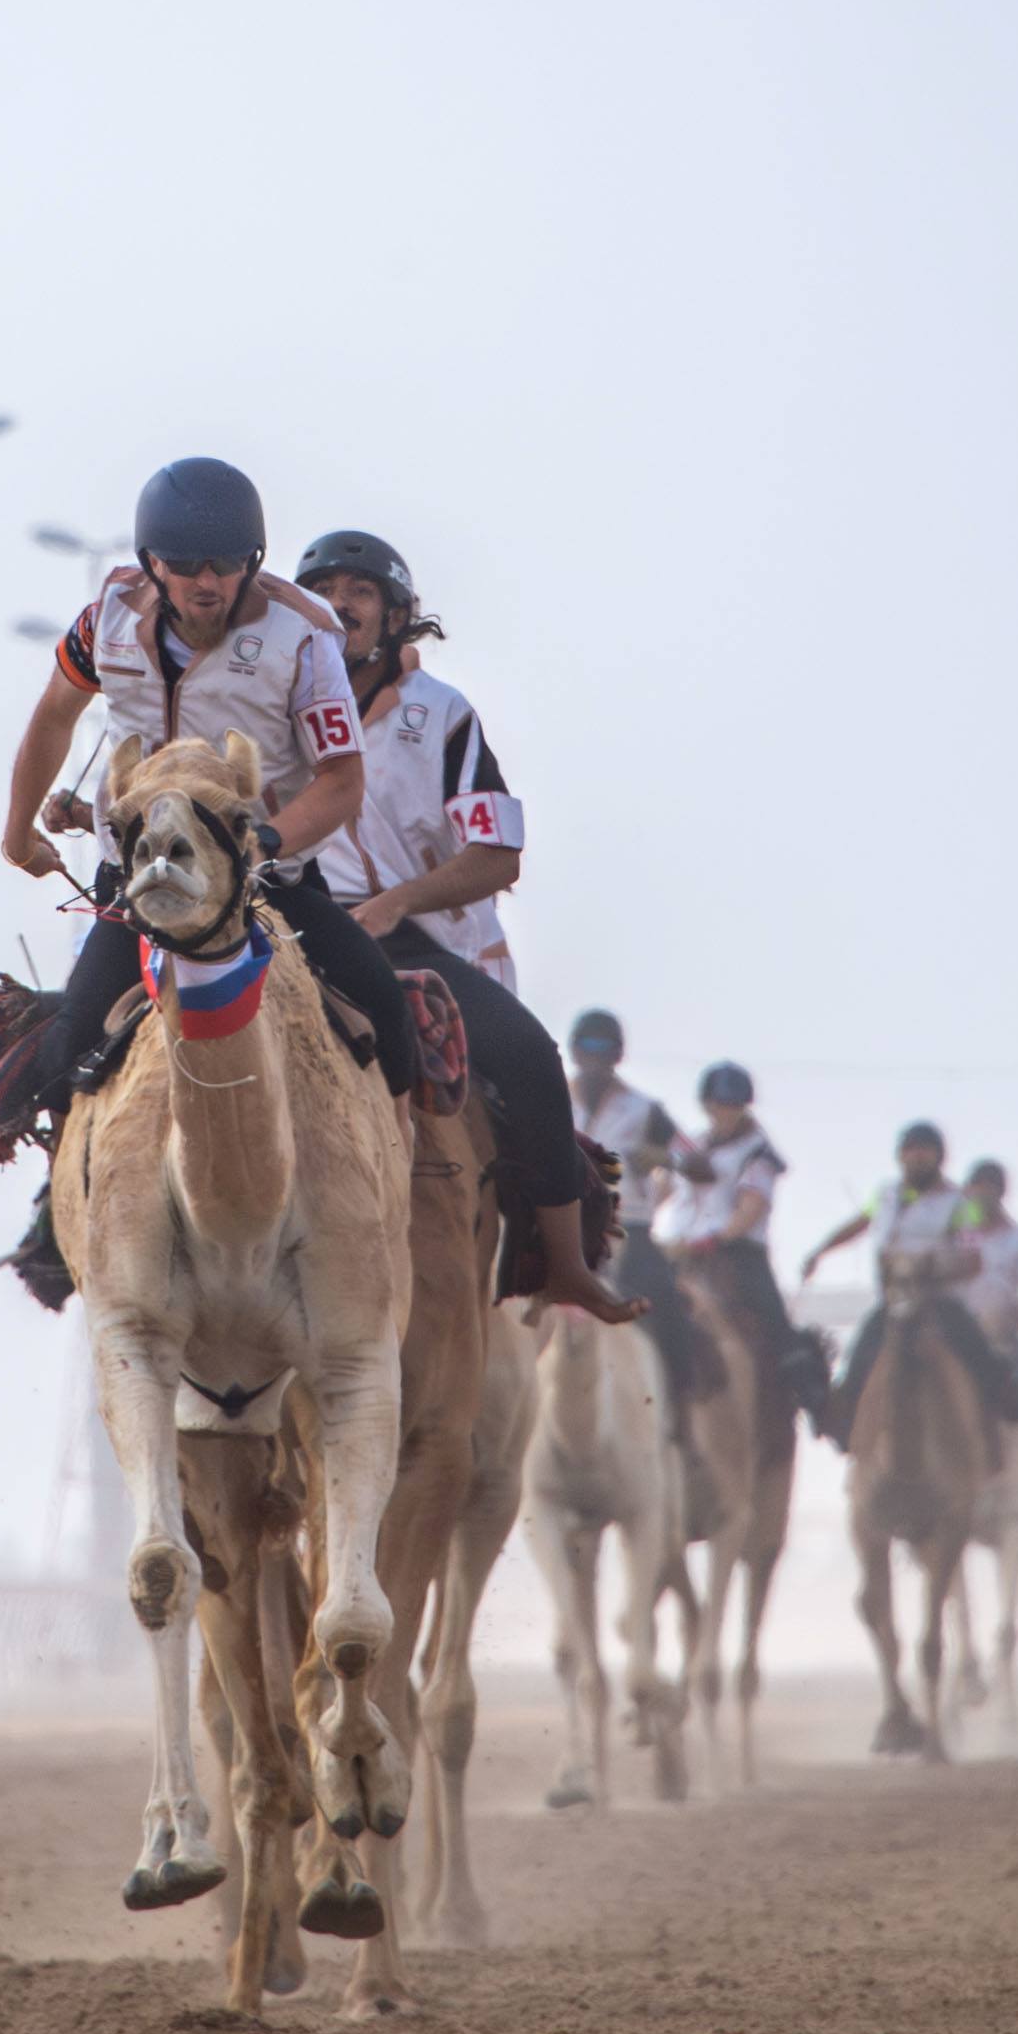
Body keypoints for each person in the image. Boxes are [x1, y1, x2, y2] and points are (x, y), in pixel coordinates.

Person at [0, 458, 421, 1305]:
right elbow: (53, 715)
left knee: (383, 1005)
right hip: (140, 882)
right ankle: (64, 1217)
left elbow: (339, 781)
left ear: (252, 560)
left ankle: (389, 1198)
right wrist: (16, 829)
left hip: (267, 880)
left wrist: (265, 842)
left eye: (224, 564)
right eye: (187, 566)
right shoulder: (104, 617)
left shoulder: (306, 635)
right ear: (153, 564)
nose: (207, 583)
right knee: (70, 1044)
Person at [292, 530, 643, 1327]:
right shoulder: (271, 700)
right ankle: (74, 1226)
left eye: (361, 591)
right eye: (326, 590)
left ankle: (563, 1264)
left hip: (408, 937)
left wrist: (395, 903)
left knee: (526, 1056)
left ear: (396, 617)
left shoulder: (442, 716)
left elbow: (498, 856)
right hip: (293, 922)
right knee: (127, 1029)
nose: (341, 603)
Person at [798, 1121, 1017, 1443]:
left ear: (939, 1157)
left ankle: (996, 1433)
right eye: (910, 1151)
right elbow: (861, 1222)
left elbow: (973, 1259)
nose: (917, 1158)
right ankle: (843, 1427)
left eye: (925, 1152)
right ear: (900, 1156)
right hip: (892, 1301)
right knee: (859, 1359)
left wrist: (931, 1268)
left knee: (980, 1359)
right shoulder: (885, 1195)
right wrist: (822, 1249)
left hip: (940, 1302)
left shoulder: (960, 1204)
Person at [572, 1011, 717, 1399]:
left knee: (669, 1313)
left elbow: (703, 1168)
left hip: (629, 1230)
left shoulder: (645, 1110)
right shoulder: (553, 1101)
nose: (596, 1058)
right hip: (563, 1229)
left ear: (618, 1055)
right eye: (588, 1047)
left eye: (605, 1049)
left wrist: (665, 1158)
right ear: (574, 1051)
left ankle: (680, 1416)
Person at [664, 1060, 820, 1400]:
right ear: (706, 1104)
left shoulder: (759, 1152)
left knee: (775, 1322)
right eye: (721, 1103)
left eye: (736, 1104)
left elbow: (751, 1208)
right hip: (680, 1249)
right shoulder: (689, 1145)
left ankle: (812, 1398)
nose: (728, 1111)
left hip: (736, 1253)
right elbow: (663, 1188)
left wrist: (714, 1239)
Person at [956, 1160, 1018, 1365]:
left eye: (989, 1188)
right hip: (953, 1329)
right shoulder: (955, 1231)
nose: (982, 1195)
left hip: (1000, 1335)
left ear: (1001, 1193)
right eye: (977, 1187)